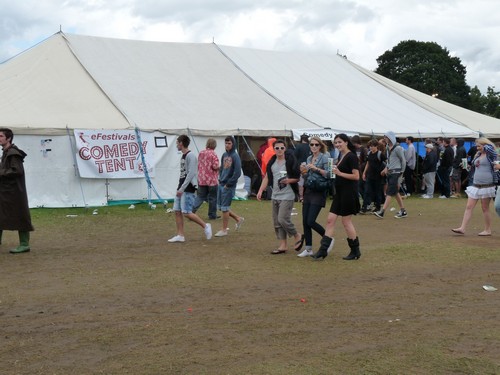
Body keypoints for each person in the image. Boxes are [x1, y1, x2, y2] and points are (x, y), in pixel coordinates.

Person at [311, 133, 360, 260]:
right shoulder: (341, 155)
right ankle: (323, 250)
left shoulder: (351, 157)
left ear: (346, 142)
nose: (337, 144)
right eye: (336, 143)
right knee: (330, 220)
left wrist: (339, 173)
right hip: (339, 192)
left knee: (346, 221)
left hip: (349, 193)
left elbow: (356, 176)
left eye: (339, 142)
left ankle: (355, 250)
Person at [257, 139, 302, 254]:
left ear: (285, 148)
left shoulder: (290, 160)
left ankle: (297, 235)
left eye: (282, 148)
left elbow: (297, 177)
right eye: (277, 148)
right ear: (274, 149)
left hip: (288, 194)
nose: (280, 150)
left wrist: (289, 180)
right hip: (275, 194)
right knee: (277, 221)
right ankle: (283, 245)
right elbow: (267, 177)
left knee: (283, 219)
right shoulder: (272, 162)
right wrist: (261, 190)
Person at [168, 135, 212, 243]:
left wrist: (182, 188)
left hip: (188, 188)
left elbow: (191, 173)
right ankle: (180, 235)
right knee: (177, 211)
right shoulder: (183, 156)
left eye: (177, 142)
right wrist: (179, 188)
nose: (177, 145)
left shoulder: (190, 156)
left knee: (187, 212)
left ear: (181, 143)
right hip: (181, 187)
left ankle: (206, 226)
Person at [452, 138, 498, 236]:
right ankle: (462, 228)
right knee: (469, 206)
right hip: (476, 184)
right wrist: (468, 167)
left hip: (487, 185)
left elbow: (490, 149)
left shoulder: (491, 154)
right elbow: (476, 166)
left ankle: (488, 230)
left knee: (485, 208)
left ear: (485, 145)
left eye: (479, 146)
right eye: (476, 146)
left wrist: (483, 144)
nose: (477, 148)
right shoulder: (478, 155)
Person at [0, 128, 34, 253]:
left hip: (14, 192)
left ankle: (24, 244)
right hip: (5, 191)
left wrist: (1, 172)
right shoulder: (6, 152)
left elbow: (17, 171)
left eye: (1, 136)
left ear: (8, 138)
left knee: (20, 215)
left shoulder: (13, 153)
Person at [297, 137, 330, 257]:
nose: (314, 147)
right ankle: (308, 248)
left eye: (316, 144)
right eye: (312, 144)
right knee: (305, 221)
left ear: (320, 146)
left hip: (319, 191)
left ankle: (328, 239)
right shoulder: (308, 158)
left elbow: (330, 174)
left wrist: (316, 169)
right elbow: (307, 177)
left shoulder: (325, 157)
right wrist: (304, 171)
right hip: (309, 191)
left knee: (311, 220)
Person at [215, 136, 245, 237]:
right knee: (222, 207)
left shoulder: (235, 156)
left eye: (229, 143)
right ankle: (238, 219)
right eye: (226, 143)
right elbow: (222, 168)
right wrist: (220, 178)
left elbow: (237, 172)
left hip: (228, 186)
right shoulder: (224, 155)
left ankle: (224, 230)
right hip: (222, 183)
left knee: (224, 208)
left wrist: (229, 184)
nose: (227, 145)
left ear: (233, 144)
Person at [374, 131, 407, 219]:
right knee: (395, 192)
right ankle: (403, 211)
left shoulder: (398, 148)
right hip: (391, 172)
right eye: (384, 137)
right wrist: (386, 169)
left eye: (386, 137)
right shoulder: (388, 147)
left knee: (389, 192)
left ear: (390, 137)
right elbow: (389, 161)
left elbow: (403, 160)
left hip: (396, 173)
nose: (385, 138)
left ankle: (382, 212)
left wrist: (401, 173)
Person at [193, 138, 220, 220]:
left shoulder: (201, 153)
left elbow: (199, 165)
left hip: (202, 179)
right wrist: (220, 167)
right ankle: (212, 215)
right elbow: (215, 166)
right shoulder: (213, 154)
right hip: (211, 180)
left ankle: (191, 210)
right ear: (214, 145)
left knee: (200, 196)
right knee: (213, 198)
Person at [361, 139, 386, 213]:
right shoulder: (369, 154)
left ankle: (378, 207)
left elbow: (387, 163)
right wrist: (364, 173)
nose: (371, 148)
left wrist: (384, 171)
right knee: (366, 191)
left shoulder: (380, 154)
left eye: (372, 146)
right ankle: (364, 207)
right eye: (370, 146)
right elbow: (368, 163)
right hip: (370, 176)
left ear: (376, 146)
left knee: (377, 192)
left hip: (378, 176)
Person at [294, 133, 311, 202]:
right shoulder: (310, 146)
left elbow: (294, 156)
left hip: (301, 166)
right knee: (308, 181)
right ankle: (307, 196)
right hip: (309, 165)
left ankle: (301, 197)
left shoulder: (298, 146)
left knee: (301, 182)